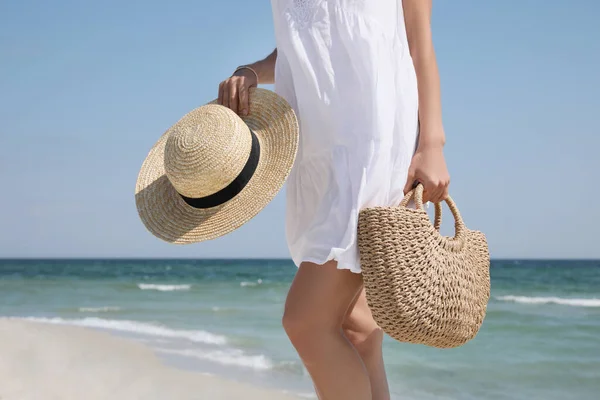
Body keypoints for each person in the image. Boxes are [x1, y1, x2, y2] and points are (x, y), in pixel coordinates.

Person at [218, 1, 450, 399]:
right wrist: (252, 70)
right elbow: (306, 41)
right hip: (318, 151)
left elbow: (419, 41)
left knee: (306, 322)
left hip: (369, 147)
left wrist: (432, 143)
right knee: (357, 329)